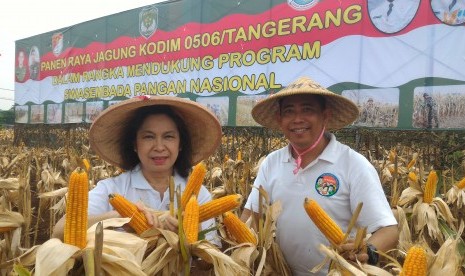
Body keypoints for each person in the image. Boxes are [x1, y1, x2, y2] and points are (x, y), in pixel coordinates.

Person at [240, 77, 399, 276]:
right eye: (289, 111)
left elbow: (388, 229)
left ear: (325, 116)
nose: (298, 119)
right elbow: (251, 218)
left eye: (307, 109)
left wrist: (370, 250)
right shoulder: (271, 162)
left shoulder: (353, 165)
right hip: (280, 271)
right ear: (280, 120)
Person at [53, 95, 222, 245]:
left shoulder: (199, 195)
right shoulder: (112, 189)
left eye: (168, 136)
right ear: (134, 144)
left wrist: (194, 236)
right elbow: (59, 231)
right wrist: (116, 219)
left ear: (181, 144)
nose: (159, 147)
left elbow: (211, 262)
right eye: (148, 137)